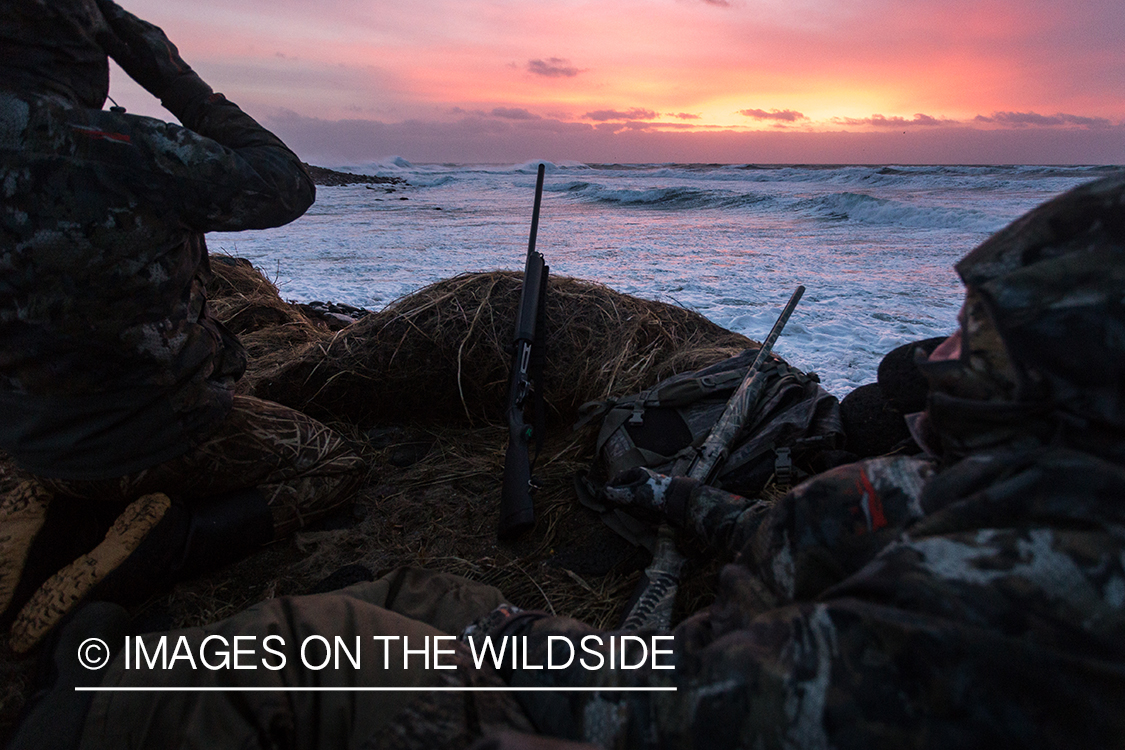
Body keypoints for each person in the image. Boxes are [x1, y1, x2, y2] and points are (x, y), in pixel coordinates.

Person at [10, 173, 1124, 749]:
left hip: (667, 704)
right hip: (703, 666)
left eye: (978, 336)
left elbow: (659, 721)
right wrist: (672, 498)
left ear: (1069, 378)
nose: (935, 357)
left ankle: (77, 713)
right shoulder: (1011, 497)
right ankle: (132, 673)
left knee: (329, 649)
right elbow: (793, 537)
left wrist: (513, 667)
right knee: (428, 595)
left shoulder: (1017, 599)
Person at [0, 0, 365, 653]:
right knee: (331, 463)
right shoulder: (130, 150)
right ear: (82, 54)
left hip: (27, 437)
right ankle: (163, 546)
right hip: (161, 432)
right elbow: (286, 184)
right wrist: (164, 69)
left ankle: (47, 509)